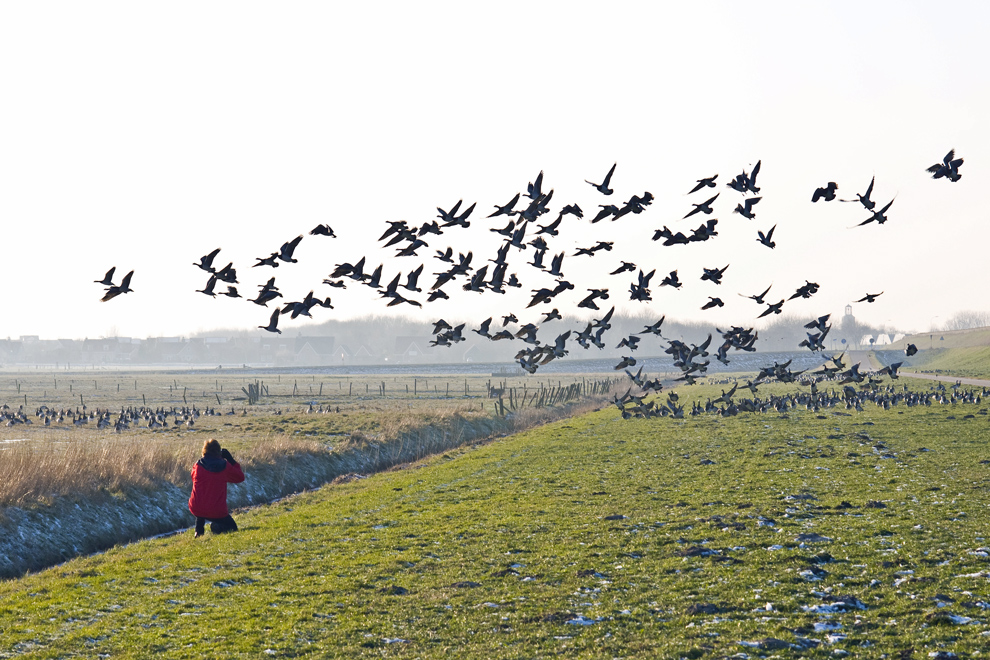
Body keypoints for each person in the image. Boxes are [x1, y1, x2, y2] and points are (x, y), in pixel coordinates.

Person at [188, 438, 245, 537]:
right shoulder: (224, 466)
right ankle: (216, 527)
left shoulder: (197, 465)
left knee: (201, 502)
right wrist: (230, 459)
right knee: (233, 528)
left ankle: (198, 531)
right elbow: (240, 477)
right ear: (219, 452)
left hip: (196, 507)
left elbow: (193, 477)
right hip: (217, 510)